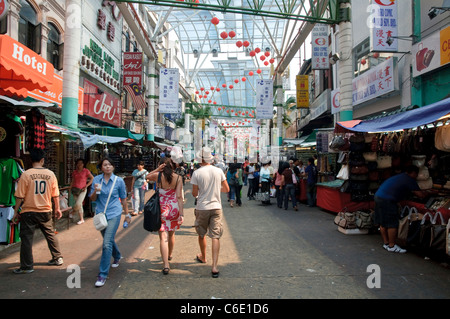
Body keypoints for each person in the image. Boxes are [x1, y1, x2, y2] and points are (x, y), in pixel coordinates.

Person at [11, 148, 63, 274]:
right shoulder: (50, 174)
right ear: (42, 160)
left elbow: (19, 196)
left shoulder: (26, 174)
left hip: (28, 211)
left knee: (27, 239)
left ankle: (27, 266)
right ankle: (58, 258)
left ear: (31, 160)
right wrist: (58, 208)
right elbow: (55, 194)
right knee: (50, 234)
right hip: (45, 210)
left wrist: (15, 212)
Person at [89, 157, 129, 287]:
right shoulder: (96, 180)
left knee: (106, 243)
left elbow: (123, 198)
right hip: (101, 214)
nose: (107, 167)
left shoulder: (119, 181)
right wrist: (95, 190)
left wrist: (127, 214)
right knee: (109, 240)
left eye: (110, 165)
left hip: (114, 213)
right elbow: (92, 199)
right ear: (101, 167)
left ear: (113, 167)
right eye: (105, 165)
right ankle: (117, 255)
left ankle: (102, 274)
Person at [191, 147, 229, 278]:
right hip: (216, 207)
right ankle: (214, 267)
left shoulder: (196, 173)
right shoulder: (218, 171)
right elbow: (226, 189)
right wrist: (216, 189)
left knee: (201, 234)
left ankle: (203, 257)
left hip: (202, 207)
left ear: (201, 159)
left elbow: (194, 193)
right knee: (215, 236)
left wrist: (203, 191)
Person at [374, 165, 426, 253]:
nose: (416, 176)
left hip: (378, 196)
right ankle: (392, 245)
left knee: (383, 221)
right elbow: (420, 195)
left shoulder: (400, 177)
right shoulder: (409, 180)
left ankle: (386, 243)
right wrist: (429, 193)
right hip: (387, 200)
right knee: (392, 223)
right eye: (416, 174)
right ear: (413, 173)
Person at [146, 157, 184, 275]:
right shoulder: (178, 178)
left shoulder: (157, 176)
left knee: (163, 237)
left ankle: (166, 265)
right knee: (171, 234)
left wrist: (157, 169)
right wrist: (181, 214)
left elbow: (146, 177)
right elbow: (179, 197)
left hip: (161, 208)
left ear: (162, 166)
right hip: (173, 209)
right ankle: (170, 254)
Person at [69, 158, 94, 225]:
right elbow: (73, 181)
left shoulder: (86, 171)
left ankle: (73, 212)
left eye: (81, 163)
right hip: (75, 190)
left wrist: (86, 186)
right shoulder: (74, 172)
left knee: (78, 204)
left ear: (83, 164)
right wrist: (70, 188)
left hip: (83, 190)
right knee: (80, 205)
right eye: (78, 163)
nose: (79, 165)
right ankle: (82, 219)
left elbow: (92, 178)